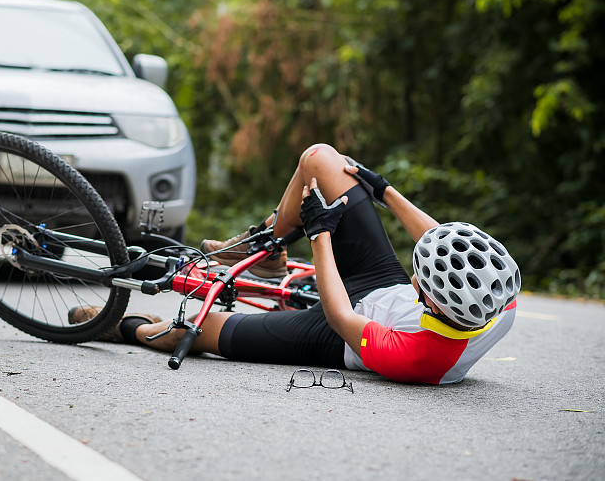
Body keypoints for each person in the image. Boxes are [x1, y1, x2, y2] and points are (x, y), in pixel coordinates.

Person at [75, 144, 521, 385]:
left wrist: (320, 233)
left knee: (200, 328)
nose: (417, 270)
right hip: (381, 285)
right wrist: (383, 191)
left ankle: (124, 326)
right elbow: (442, 242)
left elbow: (340, 316)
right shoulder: (499, 295)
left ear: (434, 305)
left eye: (419, 276)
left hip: (336, 335)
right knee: (321, 159)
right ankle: (264, 247)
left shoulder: (419, 359)